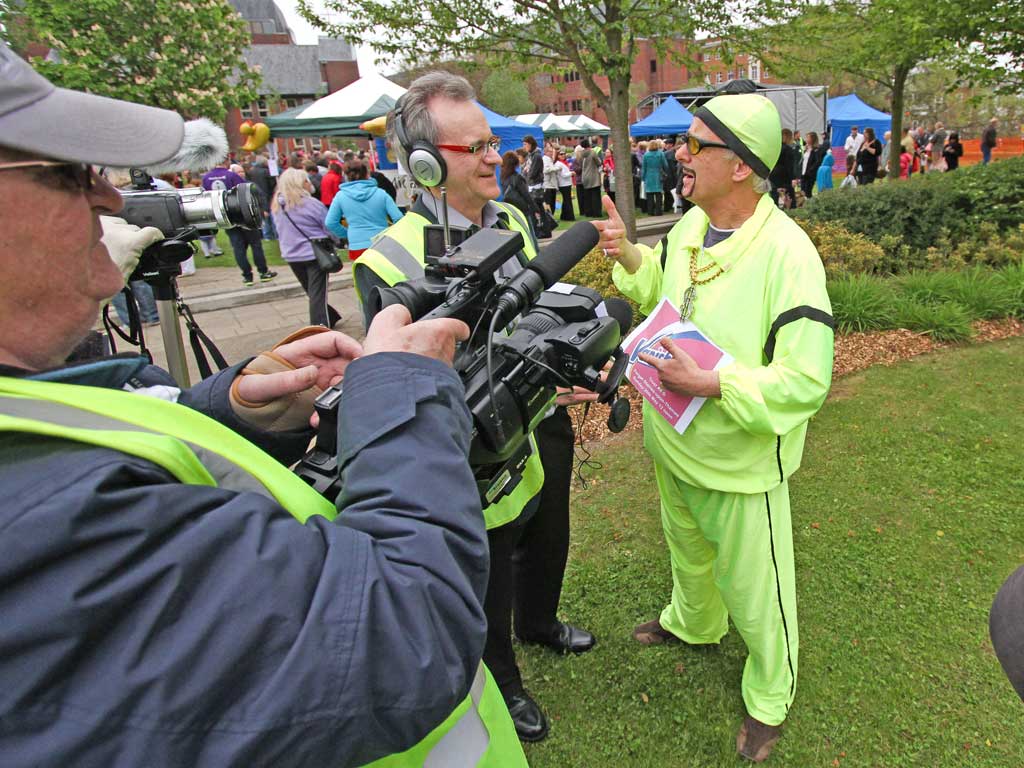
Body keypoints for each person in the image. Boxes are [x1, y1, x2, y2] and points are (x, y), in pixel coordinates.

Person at [0, 41, 524, 767]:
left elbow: (120, 442)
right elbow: (397, 632)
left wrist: (224, 411)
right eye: (65, 172)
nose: (111, 197)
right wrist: (399, 395)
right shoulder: (41, 519)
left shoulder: (33, 421)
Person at [352, 71, 597, 743]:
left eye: (494, 141)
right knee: (487, 562)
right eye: (477, 147)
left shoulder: (513, 217)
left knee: (549, 530)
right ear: (427, 163)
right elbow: (400, 369)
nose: (497, 156)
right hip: (469, 442)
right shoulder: (388, 258)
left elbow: (539, 307)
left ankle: (541, 623)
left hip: (539, 413)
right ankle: (505, 679)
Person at [594, 93, 834, 763]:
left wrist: (716, 383)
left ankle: (769, 696)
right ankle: (694, 624)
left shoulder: (790, 257)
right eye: (685, 141)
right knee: (688, 553)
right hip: (673, 441)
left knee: (761, 593)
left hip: (739, 462)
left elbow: (806, 381)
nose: (680, 153)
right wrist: (632, 257)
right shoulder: (690, 230)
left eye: (696, 144)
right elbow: (662, 298)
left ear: (740, 166)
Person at [271, 167, 342, 327]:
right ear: (301, 183)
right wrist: (337, 240)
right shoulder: (310, 204)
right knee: (317, 293)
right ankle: (320, 326)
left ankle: (330, 316)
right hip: (314, 253)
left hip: (291, 254)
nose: (310, 183)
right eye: (307, 180)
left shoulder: (278, 206)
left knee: (312, 292)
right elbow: (327, 226)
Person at [202, 159, 277, 286]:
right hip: (243, 215)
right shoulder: (232, 176)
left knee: (238, 248)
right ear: (226, 161)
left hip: (225, 217)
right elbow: (245, 193)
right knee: (255, 244)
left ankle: (247, 276)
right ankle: (263, 272)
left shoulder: (206, 178)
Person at [325, 158, 404, 261]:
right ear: (367, 174)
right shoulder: (381, 193)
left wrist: (347, 233)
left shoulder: (340, 196)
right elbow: (399, 218)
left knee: (362, 276)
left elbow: (330, 222)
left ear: (346, 176)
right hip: (382, 242)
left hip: (357, 244)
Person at [247, 154, 277, 240]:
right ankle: (274, 234)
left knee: (262, 216)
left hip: (257, 195)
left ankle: (267, 235)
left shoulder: (251, 171)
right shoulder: (266, 172)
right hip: (268, 194)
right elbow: (272, 184)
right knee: (271, 215)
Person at [769, 128, 797, 208]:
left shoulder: (774, 148)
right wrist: (793, 178)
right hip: (784, 176)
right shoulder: (788, 150)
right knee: (789, 196)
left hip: (773, 174)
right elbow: (790, 166)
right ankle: (791, 210)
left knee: (775, 194)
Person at [641, 137, 668, 215]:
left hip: (648, 175)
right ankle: (659, 211)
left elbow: (644, 167)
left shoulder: (646, 155)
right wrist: (666, 172)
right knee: (658, 194)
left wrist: (643, 177)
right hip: (658, 174)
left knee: (650, 195)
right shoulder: (661, 154)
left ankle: (650, 211)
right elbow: (665, 165)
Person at [578, 138, 602, 217]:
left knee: (587, 196)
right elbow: (598, 163)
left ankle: (588, 212)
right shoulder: (592, 152)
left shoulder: (581, 154)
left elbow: (580, 164)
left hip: (585, 176)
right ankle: (596, 213)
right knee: (595, 196)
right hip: (593, 176)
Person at [799, 131, 826, 199]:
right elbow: (803, 160)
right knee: (802, 191)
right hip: (803, 173)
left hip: (810, 174)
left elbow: (817, 162)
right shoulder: (806, 149)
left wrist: (810, 170)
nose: (807, 139)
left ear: (812, 139)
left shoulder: (816, 150)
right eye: (806, 138)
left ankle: (810, 205)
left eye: (808, 138)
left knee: (807, 191)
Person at [554, 147, 575, 221]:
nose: (563, 155)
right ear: (558, 156)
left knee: (566, 200)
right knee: (567, 200)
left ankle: (564, 216)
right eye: (561, 154)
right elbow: (563, 175)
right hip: (564, 184)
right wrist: (571, 173)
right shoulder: (558, 164)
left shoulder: (562, 163)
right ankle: (569, 217)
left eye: (564, 154)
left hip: (566, 184)